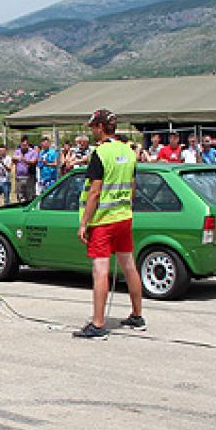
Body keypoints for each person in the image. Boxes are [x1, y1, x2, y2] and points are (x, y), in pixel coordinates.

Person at [73, 109, 145, 338]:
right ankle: (137, 315)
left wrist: (84, 222)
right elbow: (133, 187)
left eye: (93, 127)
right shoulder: (129, 152)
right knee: (129, 265)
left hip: (103, 221)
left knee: (100, 270)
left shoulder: (100, 154)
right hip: (124, 217)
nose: (92, 131)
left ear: (101, 128)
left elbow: (94, 192)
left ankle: (98, 323)